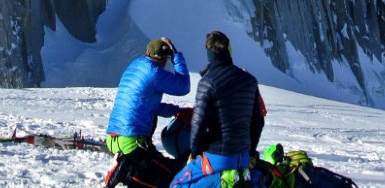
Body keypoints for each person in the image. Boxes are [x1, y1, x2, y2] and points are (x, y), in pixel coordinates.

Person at [170, 31, 265, 187]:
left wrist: (194, 155)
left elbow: (198, 125)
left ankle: (224, 181)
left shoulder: (207, 83)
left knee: (177, 183)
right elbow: (258, 121)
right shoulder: (250, 81)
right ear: (229, 50)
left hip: (219, 157)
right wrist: (250, 152)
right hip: (243, 156)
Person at [105, 37, 191, 188]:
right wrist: (176, 55)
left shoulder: (134, 65)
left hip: (113, 138)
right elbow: (184, 86)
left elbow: (147, 105)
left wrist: (175, 111)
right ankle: (124, 170)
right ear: (164, 59)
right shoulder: (154, 72)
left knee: (151, 169)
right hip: (132, 141)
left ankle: (126, 164)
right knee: (169, 177)